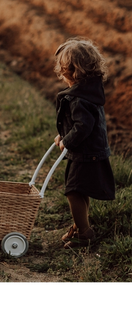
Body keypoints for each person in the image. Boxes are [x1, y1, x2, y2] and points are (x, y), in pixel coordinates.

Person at [54, 37, 115, 249]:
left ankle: (84, 233)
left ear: (71, 72)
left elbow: (83, 126)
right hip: (91, 151)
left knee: (73, 189)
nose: (62, 76)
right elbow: (80, 124)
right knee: (80, 189)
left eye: (63, 71)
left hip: (86, 152)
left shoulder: (78, 98)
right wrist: (62, 136)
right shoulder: (91, 91)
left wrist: (67, 141)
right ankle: (81, 225)